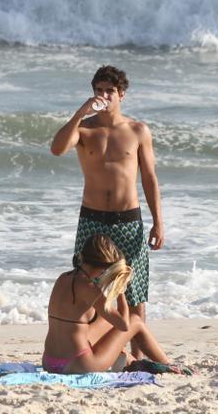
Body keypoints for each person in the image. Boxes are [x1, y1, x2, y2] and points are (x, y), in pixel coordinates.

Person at [50, 65, 164, 358]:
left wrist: (158, 223)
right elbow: (57, 149)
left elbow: (149, 178)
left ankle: (138, 359)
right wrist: (80, 113)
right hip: (92, 220)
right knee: (90, 287)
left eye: (109, 91)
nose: (103, 96)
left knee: (134, 292)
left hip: (128, 220)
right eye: (98, 90)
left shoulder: (138, 131)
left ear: (121, 94)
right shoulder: (85, 129)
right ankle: (100, 351)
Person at [42, 234, 170, 373]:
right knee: (135, 321)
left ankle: (127, 359)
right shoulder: (89, 288)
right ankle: (168, 365)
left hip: (49, 362)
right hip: (79, 363)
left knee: (104, 320)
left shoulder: (63, 278)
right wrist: (120, 290)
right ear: (104, 267)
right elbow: (124, 325)